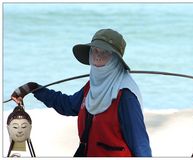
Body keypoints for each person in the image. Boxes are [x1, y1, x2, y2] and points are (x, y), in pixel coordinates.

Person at [11, 28, 152, 157]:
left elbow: (139, 143)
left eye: (105, 52)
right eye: (95, 50)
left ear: (115, 59)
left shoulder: (126, 95)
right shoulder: (92, 86)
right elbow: (68, 105)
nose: (98, 56)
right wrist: (34, 88)